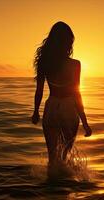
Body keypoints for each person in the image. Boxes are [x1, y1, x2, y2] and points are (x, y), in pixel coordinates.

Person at [31, 21, 92, 174]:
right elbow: (77, 93)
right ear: (68, 41)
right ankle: (64, 189)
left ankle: (50, 190)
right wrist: (85, 122)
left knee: (52, 159)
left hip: (51, 108)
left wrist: (35, 111)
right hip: (69, 109)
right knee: (64, 157)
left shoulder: (44, 62)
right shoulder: (75, 64)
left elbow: (39, 90)